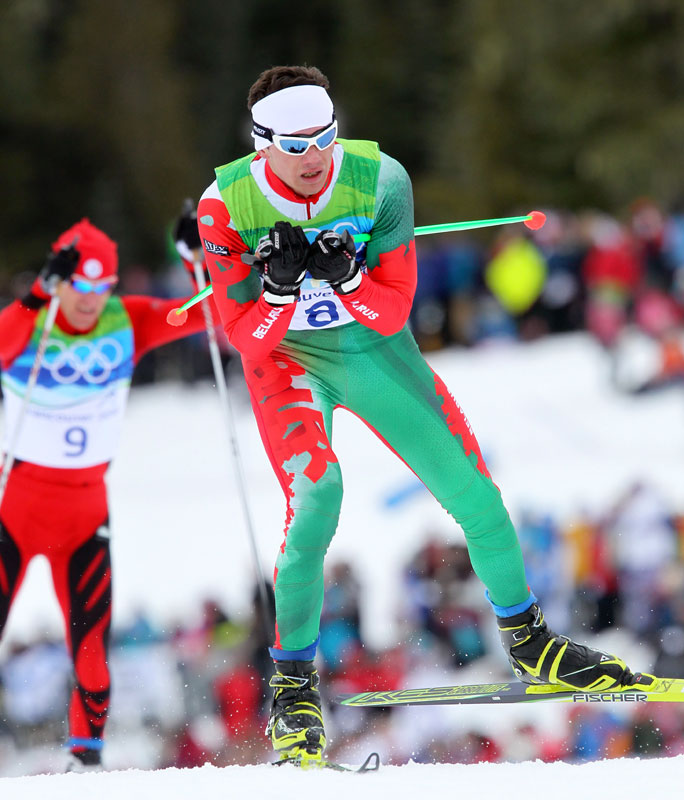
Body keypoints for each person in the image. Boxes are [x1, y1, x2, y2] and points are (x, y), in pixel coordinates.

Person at [192, 65, 649, 765]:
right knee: (317, 497)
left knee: (477, 495)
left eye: (325, 138)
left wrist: (349, 275)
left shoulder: (381, 181)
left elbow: (395, 307)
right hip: (288, 363)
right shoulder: (225, 205)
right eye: (295, 145)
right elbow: (241, 335)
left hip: (375, 350)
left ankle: (531, 644)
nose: (315, 157)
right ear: (262, 146)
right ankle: (295, 696)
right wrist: (278, 292)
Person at [0, 217, 216, 772]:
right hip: (17, 509)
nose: (91, 300)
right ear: (61, 280)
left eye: (103, 287)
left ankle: (85, 761)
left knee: (92, 654)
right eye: (81, 286)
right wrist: (38, 295)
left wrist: (200, 255)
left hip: (85, 512)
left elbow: (206, 308)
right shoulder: (32, 322)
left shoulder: (128, 320)